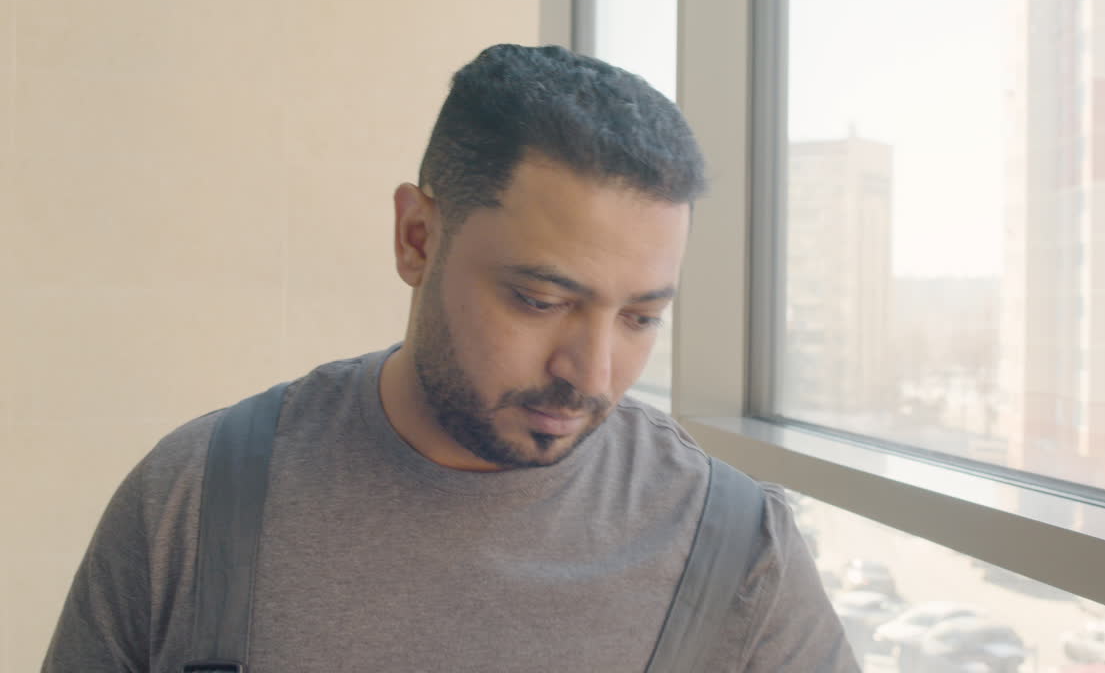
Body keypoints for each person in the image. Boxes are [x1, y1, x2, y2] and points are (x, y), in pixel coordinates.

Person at [43, 44, 858, 672]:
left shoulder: (738, 552)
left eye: (641, 318)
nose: (594, 373)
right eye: (541, 302)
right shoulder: (193, 501)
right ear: (417, 238)